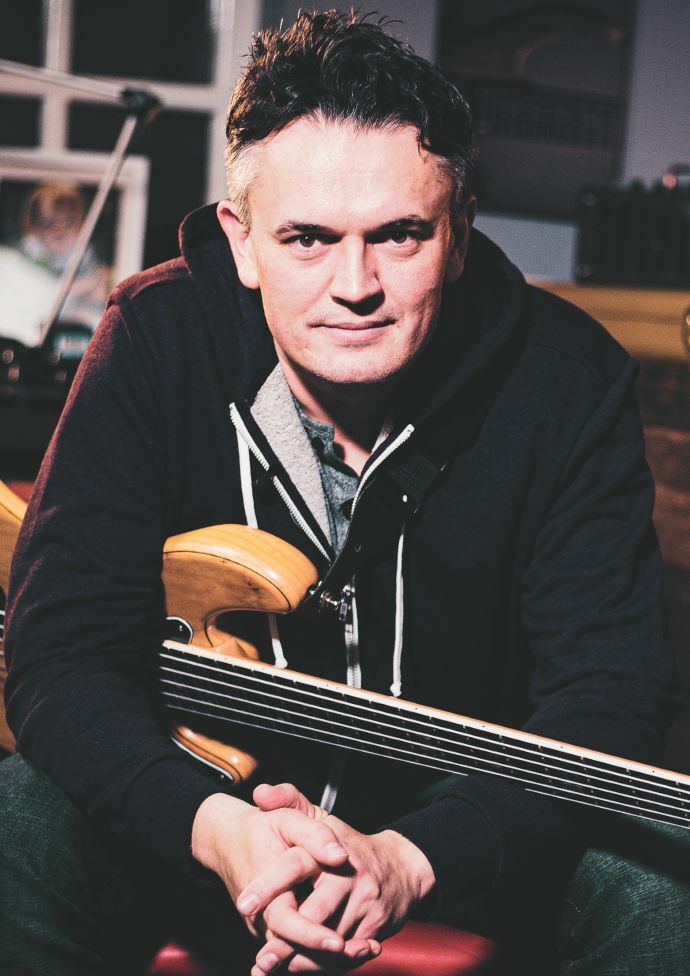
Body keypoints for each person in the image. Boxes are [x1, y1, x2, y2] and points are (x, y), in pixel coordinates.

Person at [1, 10, 688, 976]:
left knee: (661, 889)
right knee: (17, 828)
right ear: (242, 242)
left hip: (466, 824)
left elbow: (609, 695)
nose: (354, 284)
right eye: (308, 239)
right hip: (199, 803)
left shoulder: (568, 379)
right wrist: (219, 830)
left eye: (400, 235)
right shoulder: (156, 339)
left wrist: (412, 858)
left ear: (459, 233)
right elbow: (62, 655)